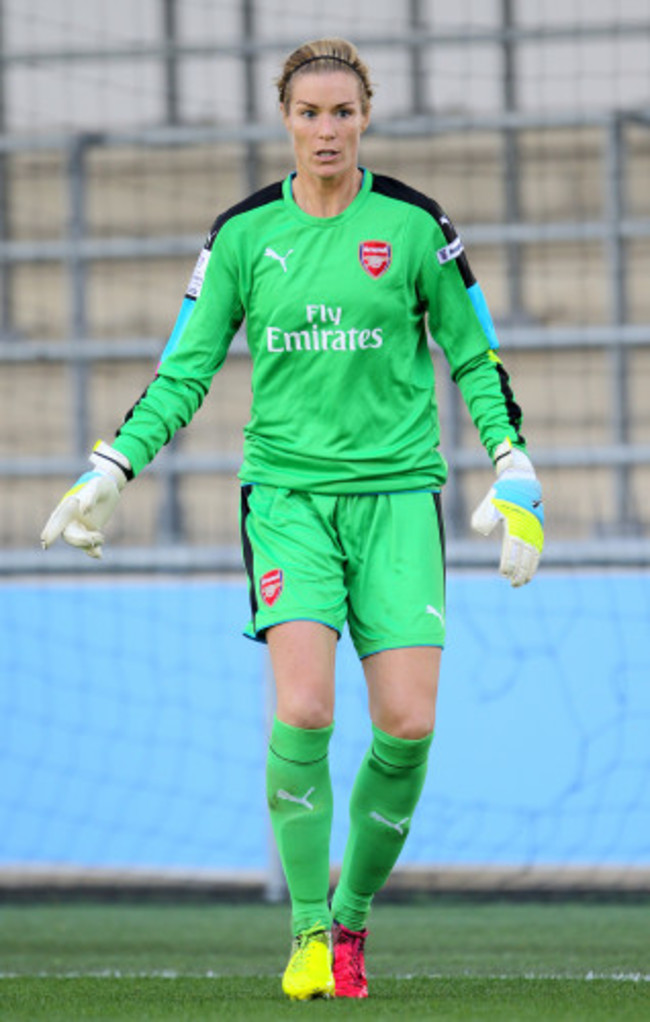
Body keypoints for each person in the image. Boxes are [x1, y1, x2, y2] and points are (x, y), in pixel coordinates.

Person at [41, 37, 544, 1001]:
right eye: (309, 113)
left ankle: (352, 919)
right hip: (287, 501)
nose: (326, 130)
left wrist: (512, 462)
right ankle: (310, 932)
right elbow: (185, 367)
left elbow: (474, 356)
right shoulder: (241, 236)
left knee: (407, 726)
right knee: (306, 708)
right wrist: (114, 464)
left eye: (342, 112)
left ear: (366, 117)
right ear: (285, 119)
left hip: (398, 499)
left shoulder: (414, 226)